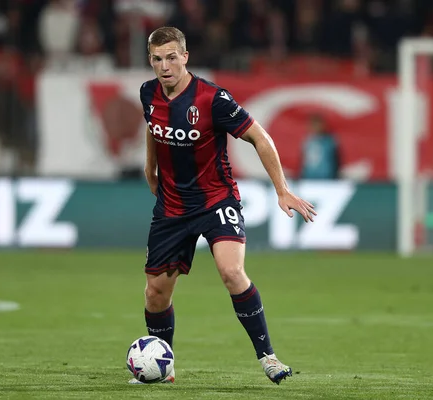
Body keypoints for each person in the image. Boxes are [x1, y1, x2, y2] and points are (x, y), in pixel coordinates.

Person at [134, 27, 316, 385]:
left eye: (172, 57)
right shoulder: (147, 93)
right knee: (155, 293)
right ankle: (163, 368)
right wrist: (149, 167)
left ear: (185, 57)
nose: (165, 66)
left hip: (216, 199)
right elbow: (153, 128)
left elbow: (259, 137)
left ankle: (268, 357)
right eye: (157, 59)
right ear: (151, 61)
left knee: (231, 272)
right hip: (172, 206)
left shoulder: (212, 99)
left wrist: (282, 189)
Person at [301, 114, 341, 180]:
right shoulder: (307, 142)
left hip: (326, 179)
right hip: (309, 178)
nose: (315, 127)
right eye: (313, 124)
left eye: (317, 124)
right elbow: (304, 162)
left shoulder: (330, 141)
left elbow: (336, 161)